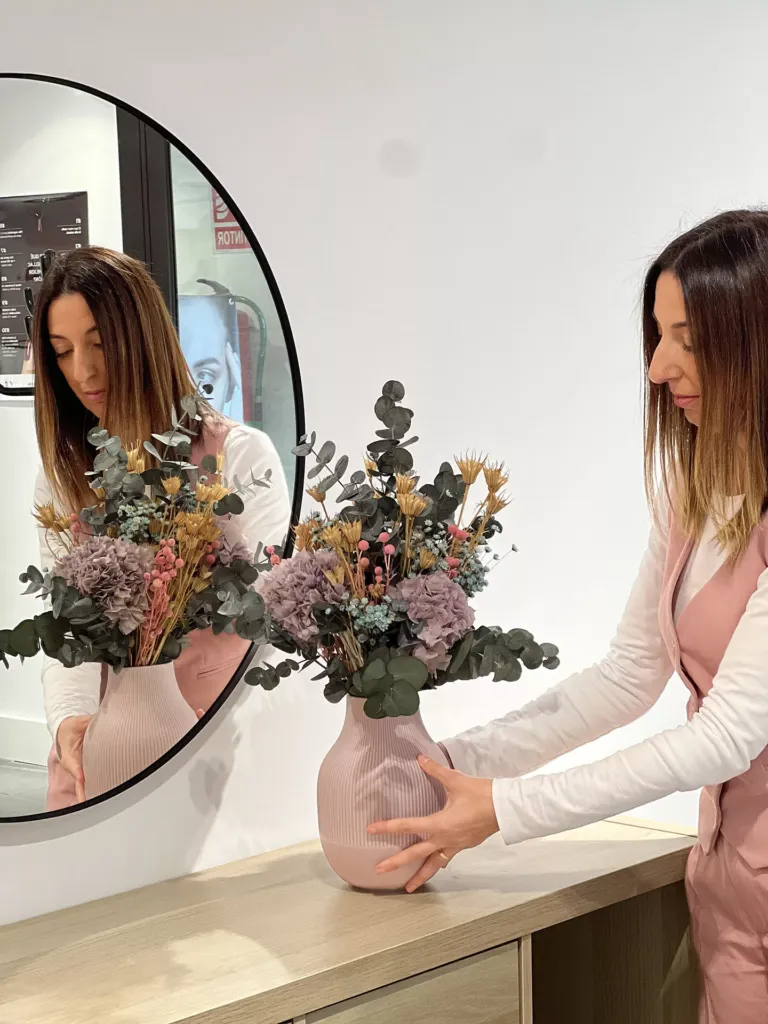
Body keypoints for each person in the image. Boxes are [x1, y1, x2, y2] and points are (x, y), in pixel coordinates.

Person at [370, 210, 768, 1023]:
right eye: (656, 337)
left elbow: (728, 734)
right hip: (733, 884)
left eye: (687, 338)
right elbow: (626, 679)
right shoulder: (690, 498)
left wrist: (507, 810)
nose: (658, 367)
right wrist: (442, 761)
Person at [31, 247, 290, 810]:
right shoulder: (64, 479)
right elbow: (65, 629)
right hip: (101, 742)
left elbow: (270, 617)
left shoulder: (240, 456)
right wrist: (70, 721)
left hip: (212, 736)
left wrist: (216, 722)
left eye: (99, 344)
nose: (83, 371)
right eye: (63, 352)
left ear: (143, 336)